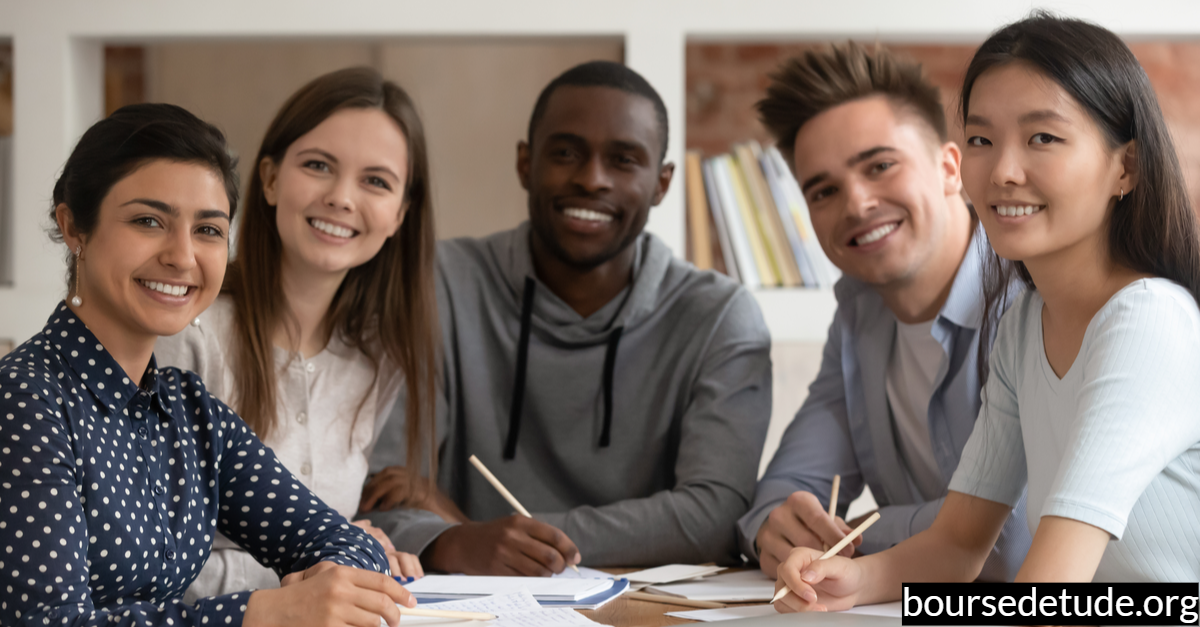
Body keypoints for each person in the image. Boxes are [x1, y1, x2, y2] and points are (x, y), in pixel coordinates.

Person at [774, 14, 1200, 612]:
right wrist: (848, 580)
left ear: (1124, 167)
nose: (1002, 171)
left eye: (1042, 138)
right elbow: (955, 545)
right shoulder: (1027, 326)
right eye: (981, 139)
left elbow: (1051, 594)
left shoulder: (1147, 321)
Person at [0, 103, 414, 627]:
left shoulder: (188, 408)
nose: (182, 256)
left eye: (209, 230)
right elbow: (46, 624)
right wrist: (254, 614)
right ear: (74, 227)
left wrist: (324, 584)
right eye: (148, 221)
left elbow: (344, 541)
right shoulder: (26, 401)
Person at [361, 60, 773, 573]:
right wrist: (465, 541)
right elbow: (381, 495)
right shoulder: (436, 283)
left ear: (662, 183)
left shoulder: (719, 316)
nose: (591, 179)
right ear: (524, 164)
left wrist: (469, 532)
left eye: (623, 160)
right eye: (565, 153)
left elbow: (713, 518)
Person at [739, 41, 1031, 582]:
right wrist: (774, 528)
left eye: (879, 166)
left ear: (950, 168)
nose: (855, 204)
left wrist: (856, 531)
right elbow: (789, 488)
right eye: (823, 190)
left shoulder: (1029, 298)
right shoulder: (858, 314)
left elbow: (1014, 538)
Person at [156, 66, 435, 598]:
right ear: (269, 179)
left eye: (376, 181)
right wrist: (339, 562)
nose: (342, 198)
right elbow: (140, 567)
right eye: (318, 165)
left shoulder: (380, 358)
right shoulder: (186, 331)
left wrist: (353, 553)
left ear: (400, 214)